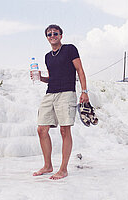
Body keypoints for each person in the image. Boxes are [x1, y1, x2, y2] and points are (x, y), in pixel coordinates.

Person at [31, 24, 89, 180]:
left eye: (55, 33)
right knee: (41, 129)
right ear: (47, 38)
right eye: (49, 34)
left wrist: (84, 91)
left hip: (66, 93)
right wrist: (39, 77)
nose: (52, 36)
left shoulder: (70, 49)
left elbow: (80, 71)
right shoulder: (47, 57)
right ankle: (48, 165)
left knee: (64, 131)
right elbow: (51, 78)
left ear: (61, 35)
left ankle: (63, 169)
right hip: (50, 93)